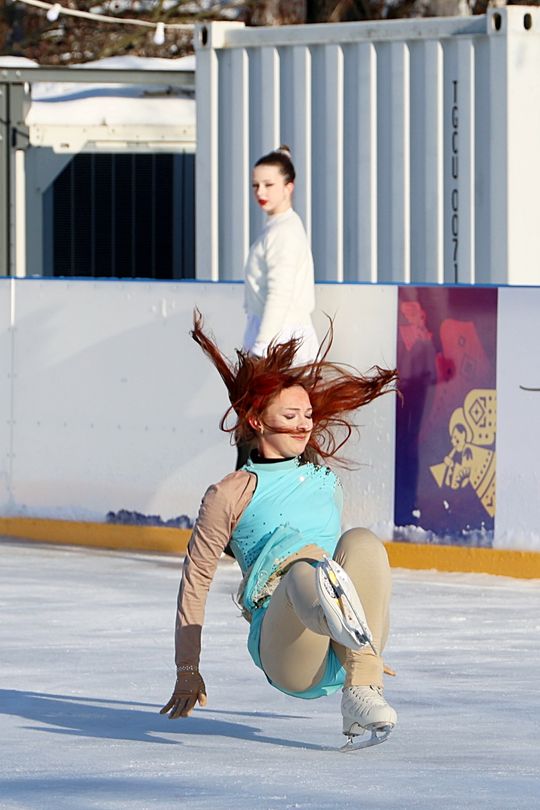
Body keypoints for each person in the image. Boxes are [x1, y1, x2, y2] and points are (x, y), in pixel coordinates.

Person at [161, 312, 399, 749]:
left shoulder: (323, 480)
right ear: (256, 421)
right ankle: (349, 633)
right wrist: (187, 670)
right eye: (292, 414)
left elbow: (355, 565)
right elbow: (195, 583)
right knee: (303, 571)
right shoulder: (230, 493)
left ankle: (362, 681)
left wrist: (362, 640)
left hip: (340, 649)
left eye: (308, 414)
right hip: (289, 646)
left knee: (362, 541)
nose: (306, 424)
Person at [243, 145, 319, 366]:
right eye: (255, 185)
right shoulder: (279, 227)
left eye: (269, 185)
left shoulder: (283, 232)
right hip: (278, 336)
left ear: (288, 187)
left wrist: (261, 347)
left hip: (281, 340)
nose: (260, 192)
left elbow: (280, 293)